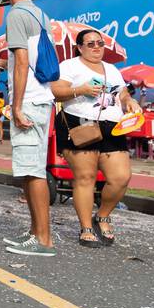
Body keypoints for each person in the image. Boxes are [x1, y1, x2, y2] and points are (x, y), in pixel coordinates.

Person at [50, 28, 140, 247]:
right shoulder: (69, 66)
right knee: (85, 178)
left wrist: (129, 101)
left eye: (100, 43)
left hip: (112, 126)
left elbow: (122, 92)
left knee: (121, 177)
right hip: (79, 123)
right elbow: (56, 90)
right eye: (90, 44)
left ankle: (102, 216)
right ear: (80, 47)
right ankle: (86, 228)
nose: (97, 47)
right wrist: (81, 89)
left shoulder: (111, 69)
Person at [0, 0, 58, 258]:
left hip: (30, 100)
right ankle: (36, 232)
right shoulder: (40, 13)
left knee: (32, 172)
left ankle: (43, 239)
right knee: (30, 169)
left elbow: (22, 62)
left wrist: (16, 105)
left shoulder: (15, 15)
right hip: (42, 97)